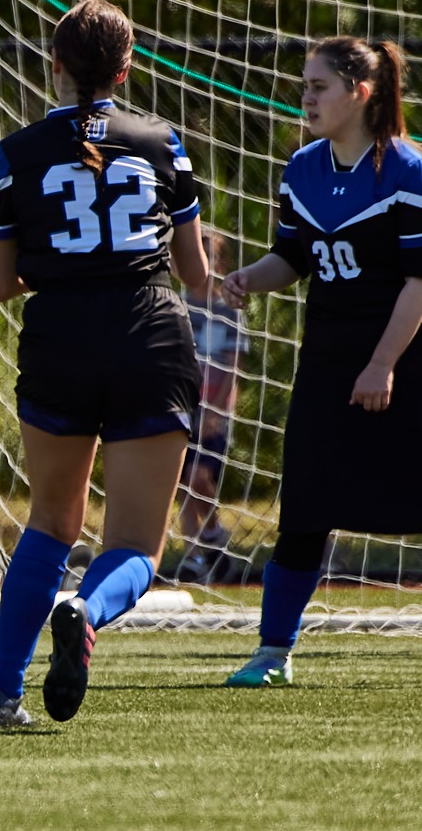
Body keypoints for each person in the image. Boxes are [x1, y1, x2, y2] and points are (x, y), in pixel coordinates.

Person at [218, 37, 422, 690]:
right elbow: (295, 257)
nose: (306, 97)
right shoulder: (302, 168)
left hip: (410, 356)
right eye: (305, 84)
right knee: (305, 505)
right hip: (330, 355)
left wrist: (382, 363)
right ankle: (272, 652)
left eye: (319, 86)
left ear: (360, 93)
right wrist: (250, 278)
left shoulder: (416, 175)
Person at [0, 0, 211, 728]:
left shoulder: (15, 151)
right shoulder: (163, 141)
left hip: (59, 337)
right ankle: (87, 608)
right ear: (125, 69)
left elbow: (1, 282)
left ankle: (1, 693)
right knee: (136, 544)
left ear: (55, 64)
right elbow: (194, 272)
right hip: (149, 334)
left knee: (49, 522)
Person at [175, 230, 246, 582]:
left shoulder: (228, 310)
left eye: (209, 255)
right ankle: (194, 557)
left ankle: (214, 532)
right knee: (181, 483)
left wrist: (216, 411)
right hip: (181, 406)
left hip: (213, 411)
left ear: (220, 263)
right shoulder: (176, 306)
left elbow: (234, 366)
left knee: (200, 477)